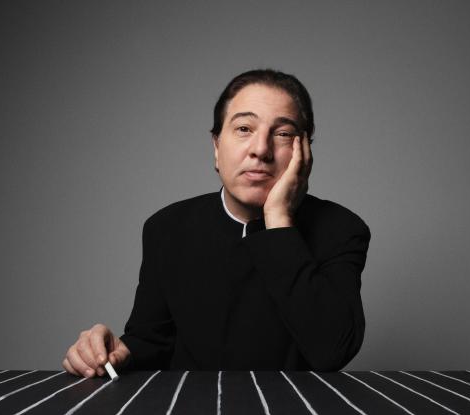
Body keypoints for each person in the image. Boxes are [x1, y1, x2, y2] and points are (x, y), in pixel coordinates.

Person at [63, 69, 370, 378]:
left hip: (294, 407)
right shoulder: (166, 228)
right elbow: (152, 340)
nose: (261, 149)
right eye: (244, 128)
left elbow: (332, 350)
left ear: (305, 153)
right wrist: (119, 351)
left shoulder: (341, 230)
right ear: (216, 146)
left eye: (283, 134)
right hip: (189, 405)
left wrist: (278, 218)